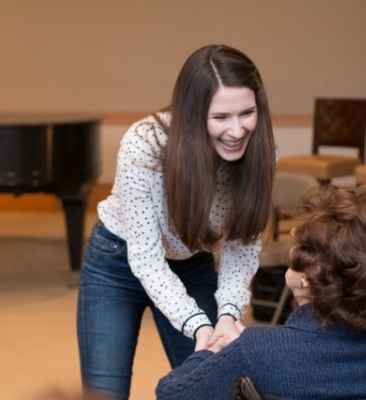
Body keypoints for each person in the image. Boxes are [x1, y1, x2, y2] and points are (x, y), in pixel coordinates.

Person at [77, 44, 276, 400]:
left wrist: (227, 315)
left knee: (212, 387)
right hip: (117, 262)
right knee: (103, 393)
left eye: (247, 113)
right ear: (192, 113)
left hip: (191, 262)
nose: (237, 130)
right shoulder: (146, 145)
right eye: (220, 118)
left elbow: (241, 248)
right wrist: (197, 323)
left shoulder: (260, 152)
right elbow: (146, 258)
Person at [156, 185, 366, 400]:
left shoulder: (256, 350)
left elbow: (170, 394)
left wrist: (209, 352)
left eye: (301, 242)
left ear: (310, 275)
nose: (293, 243)